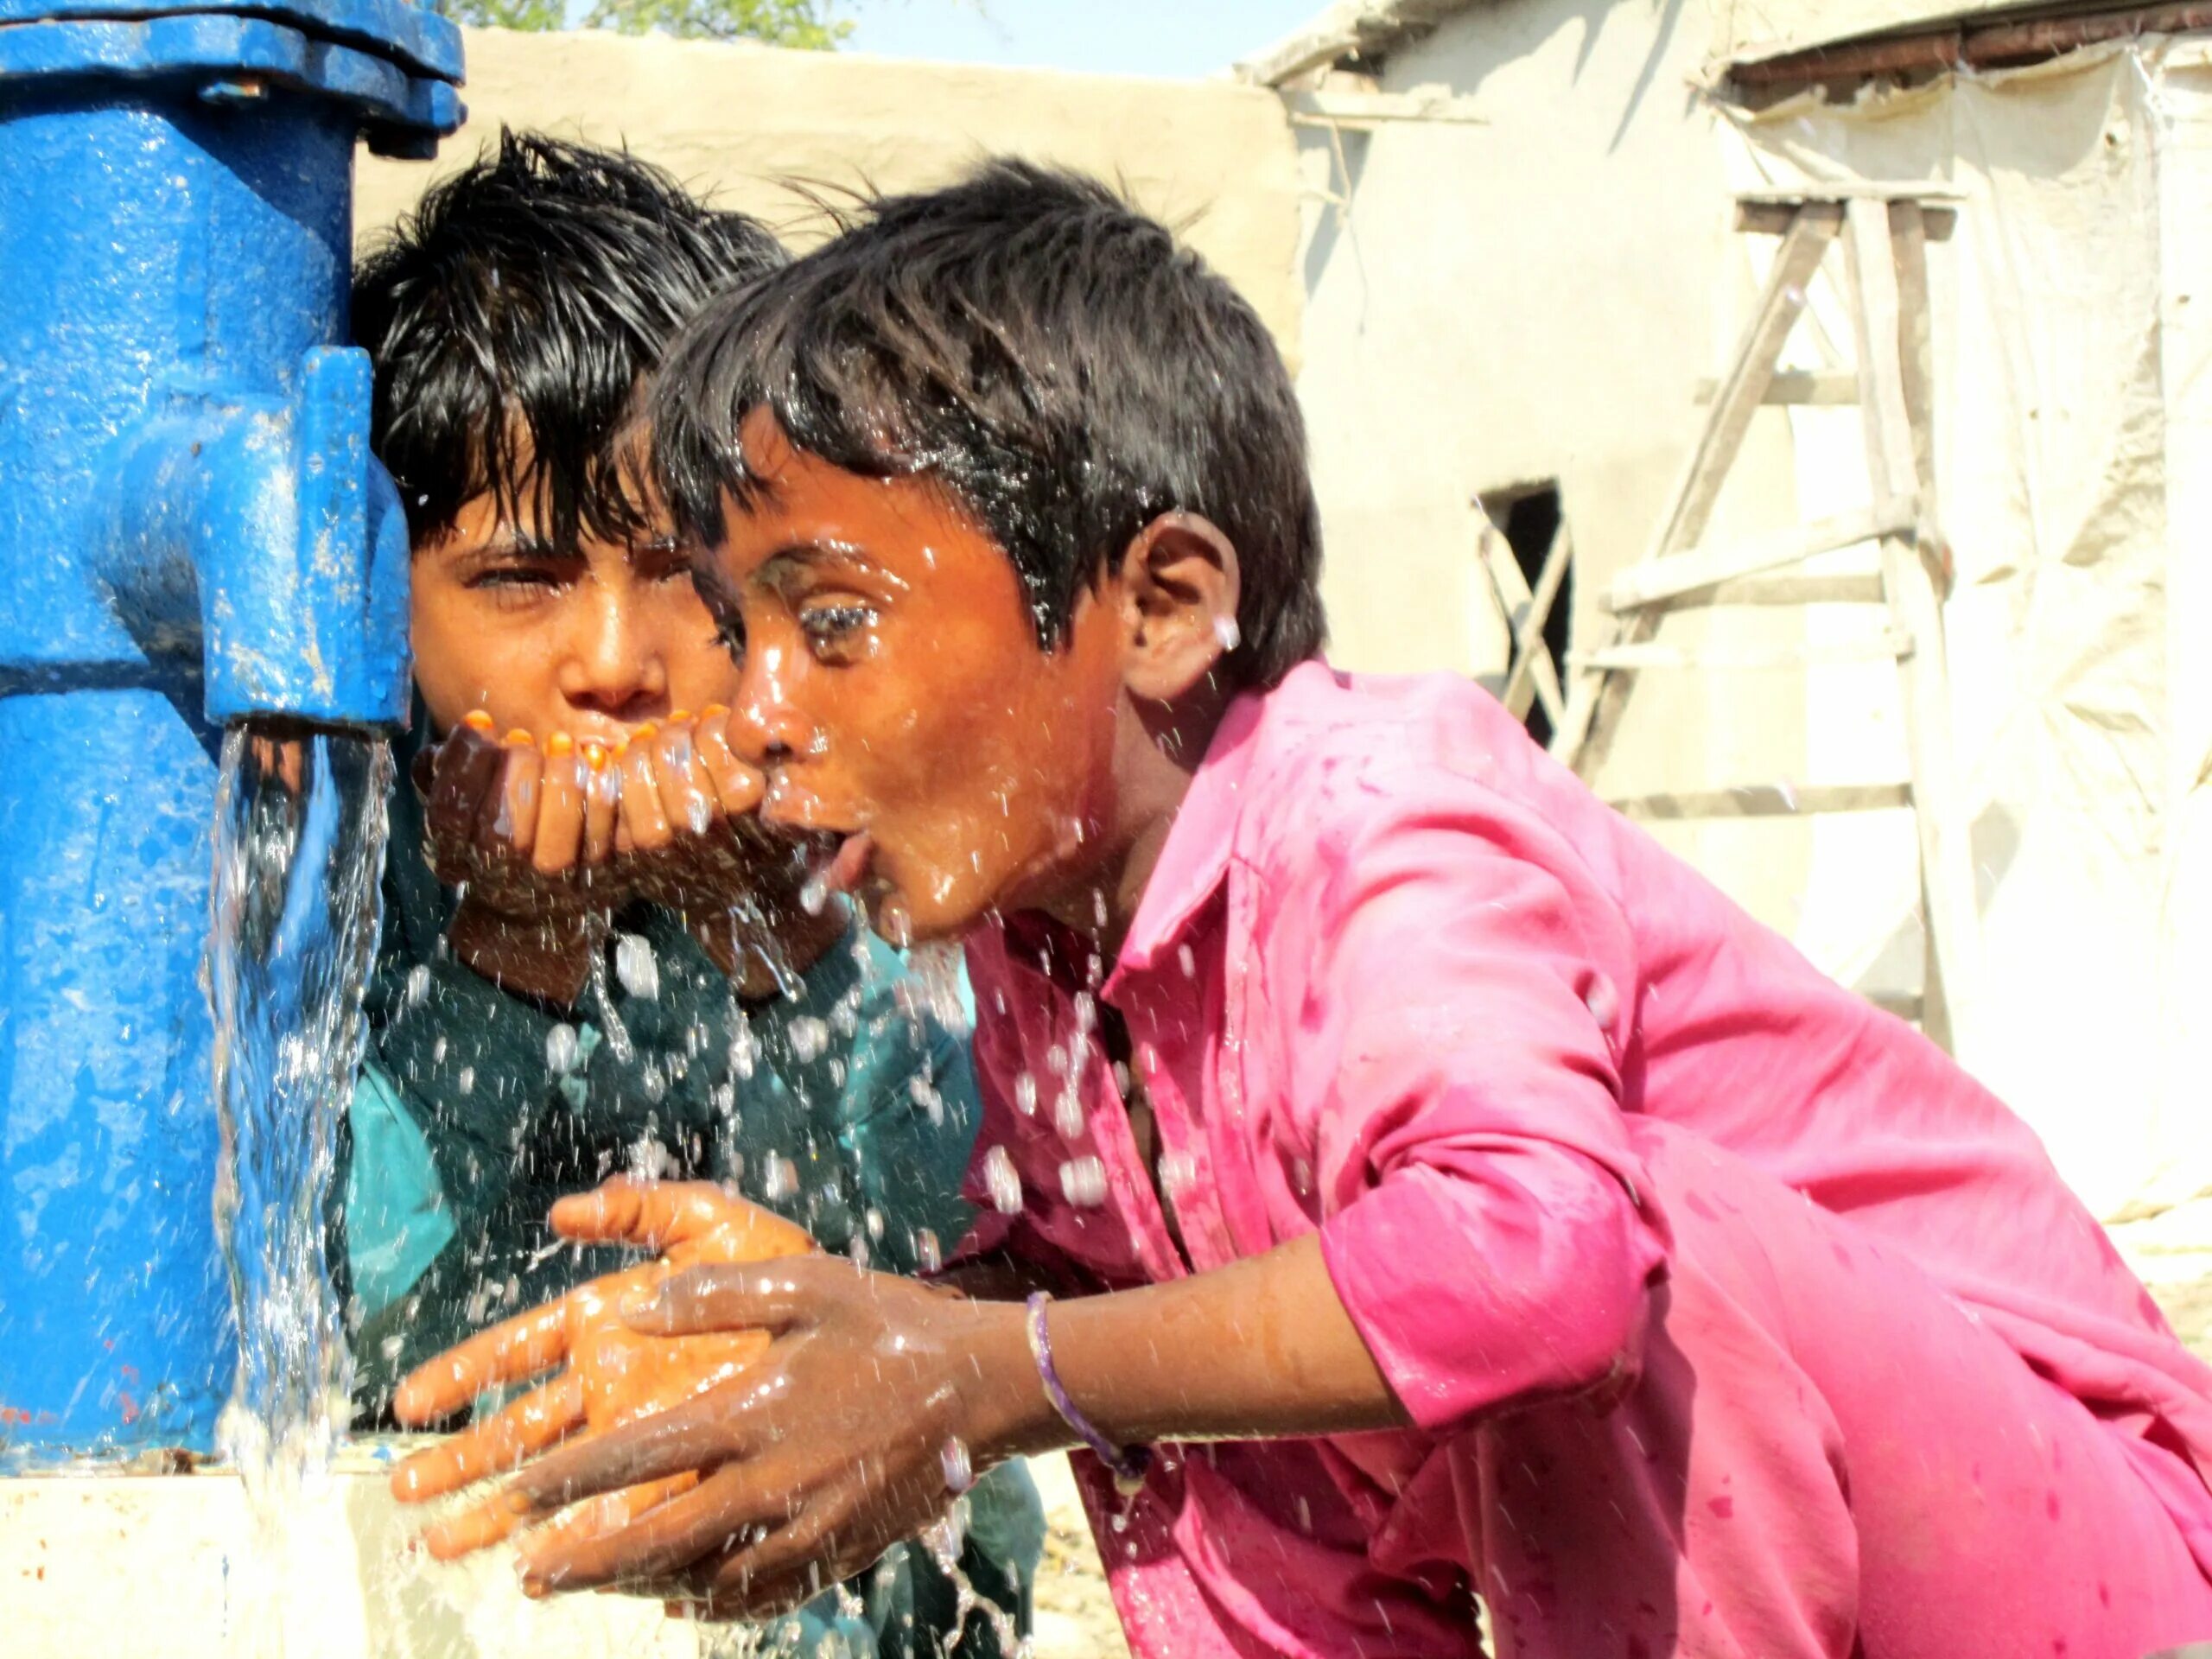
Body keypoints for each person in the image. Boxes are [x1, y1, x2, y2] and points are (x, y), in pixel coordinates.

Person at [395, 161, 2212, 1658]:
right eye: (750, 630)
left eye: (831, 624)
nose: (753, 702)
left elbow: (1544, 1265)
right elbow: (1091, 1361)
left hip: (2076, 1558)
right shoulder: (1043, 942)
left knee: (1561, 1247)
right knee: (1157, 1338)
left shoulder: (1377, 811)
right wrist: (862, 1350)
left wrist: (987, 1374)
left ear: (1162, 608)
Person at [343, 133, 1039, 1656]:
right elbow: (370, 1340)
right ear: (381, 597)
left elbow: (934, 1269)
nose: (609, 663)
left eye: (678, 575)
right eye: (520, 581)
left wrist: (774, 939)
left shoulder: (854, 833)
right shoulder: (350, 859)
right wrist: (510, 949)